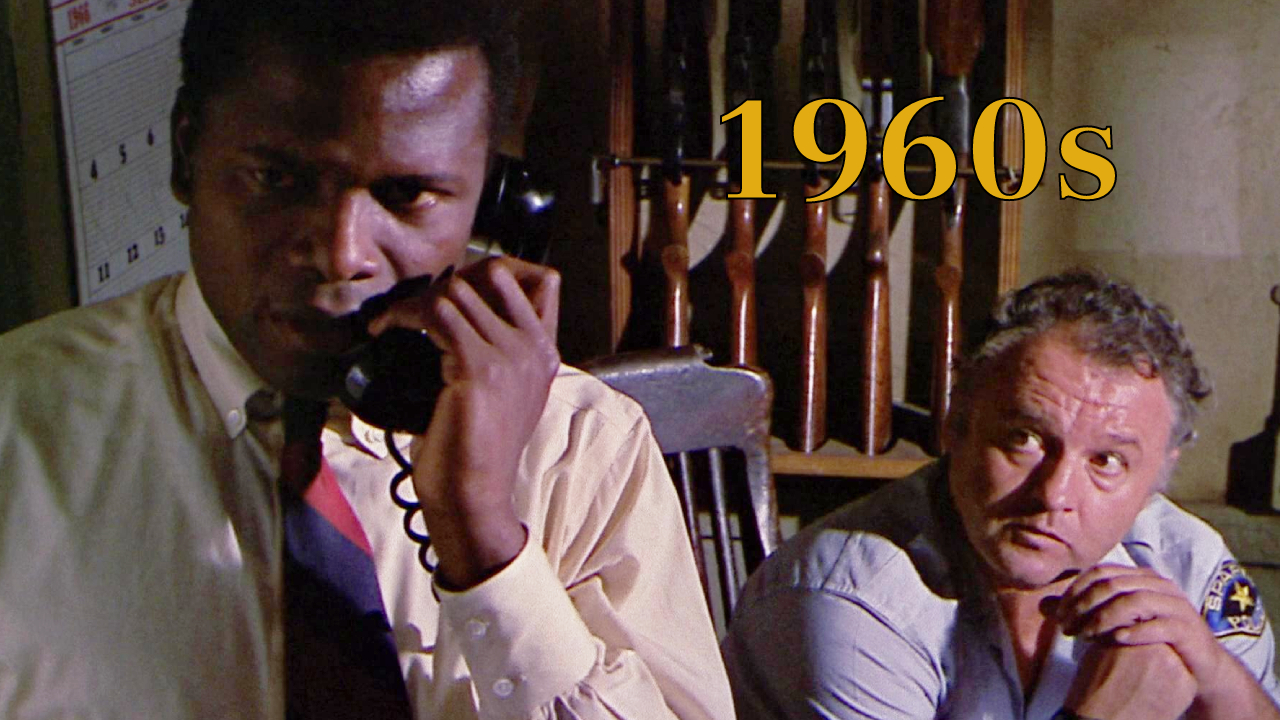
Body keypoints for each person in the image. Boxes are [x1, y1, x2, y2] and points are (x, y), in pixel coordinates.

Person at [0, 1, 733, 718]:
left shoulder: (582, 448)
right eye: (276, 179)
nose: (340, 253)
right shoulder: (18, 428)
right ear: (186, 153)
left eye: (407, 194)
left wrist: (488, 547)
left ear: (492, 200)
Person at [723, 269, 1279, 720]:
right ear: (956, 424)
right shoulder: (854, 600)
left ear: (1160, 472)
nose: (1054, 495)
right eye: (1025, 439)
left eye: (1107, 461)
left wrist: (1213, 672)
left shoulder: (1185, 560)